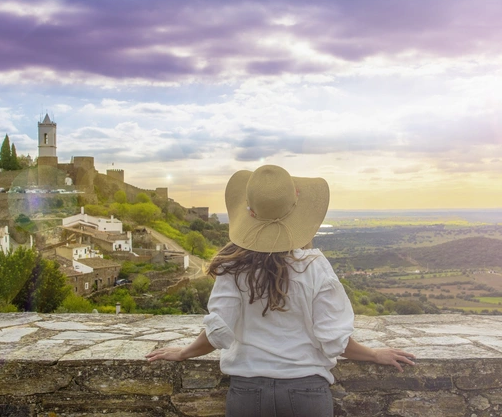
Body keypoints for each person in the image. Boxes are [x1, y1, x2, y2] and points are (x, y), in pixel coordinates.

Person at [146, 165, 416, 417]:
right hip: (307, 393)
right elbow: (335, 340)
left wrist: (184, 353)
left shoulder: (232, 267)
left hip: (247, 394)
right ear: (296, 209)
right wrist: (373, 355)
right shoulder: (314, 266)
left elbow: (218, 332)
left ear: (249, 211)